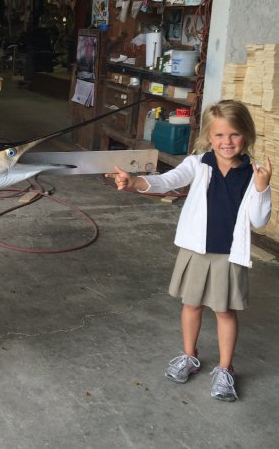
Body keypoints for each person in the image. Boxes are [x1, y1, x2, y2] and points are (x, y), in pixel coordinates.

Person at [106, 100, 272, 402]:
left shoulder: (254, 173)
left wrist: (262, 188)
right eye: (219, 135)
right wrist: (134, 183)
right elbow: (166, 181)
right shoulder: (198, 164)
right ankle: (189, 356)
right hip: (196, 250)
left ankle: (225, 369)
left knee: (224, 311)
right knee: (191, 305)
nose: (226, 142)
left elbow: (259, 222)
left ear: (246, 135)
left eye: (234, 134)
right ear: (209, 136)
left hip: (228, 254)